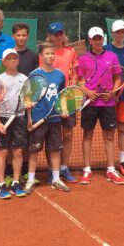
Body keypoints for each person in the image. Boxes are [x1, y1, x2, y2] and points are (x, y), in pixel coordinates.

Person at [78, 27, 124, 185]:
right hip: (90, 103)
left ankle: (111, 170)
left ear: (103, 39)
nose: (98, 41)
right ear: (90, 41)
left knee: (109, 136)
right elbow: (80, 80)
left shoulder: (112, 56)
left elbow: (118, 77)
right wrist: (87, 91)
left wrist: (112, 92)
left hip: (108, 103)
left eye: (100, 38)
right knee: (87, 135)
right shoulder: (83, 58)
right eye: (95, 38)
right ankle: (86, 170)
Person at [24, 41, 71, 194]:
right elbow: (28, 98)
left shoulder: (60, 75)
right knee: (34, 151)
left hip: (55, 119)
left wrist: (63, 109)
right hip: (38, 119)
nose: (50, 56)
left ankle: (56, 179)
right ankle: (30, 180)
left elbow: (62, 96)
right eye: (47, 53)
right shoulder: (34, 74)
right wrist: (30, 117)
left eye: (52, 53)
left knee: (55, 150)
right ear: (41, 56)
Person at [44, 22, 78, 183]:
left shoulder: (71, 52)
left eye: (60, 33)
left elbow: (76, 73)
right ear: (49, 36)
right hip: (50, 99)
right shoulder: (45, 53)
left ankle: (63, 167)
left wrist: (74, 85)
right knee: (52, 135)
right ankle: (52, 169)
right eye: (55, 34)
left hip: (68, 98)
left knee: (68, 134)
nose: (58, 37)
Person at [0, 49, 28, 199]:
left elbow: (27, 100)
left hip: (20, 118)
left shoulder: (25, 78)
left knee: (18, 152)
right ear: (4, 62)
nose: (13, 60)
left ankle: (15, 182)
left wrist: (30, 116)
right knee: (2, 152)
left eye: (15, 58)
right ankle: (1, 184)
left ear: (18, 60)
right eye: (9, 58)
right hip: (3, 118)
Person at [104, 20, 124, 176]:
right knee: (109, 130)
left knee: (122, 128)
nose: (120, 34)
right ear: (112, 33)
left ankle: (123, 161)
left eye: (123, 31)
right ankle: (109, 164)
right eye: (117, 32)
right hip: (109, 97)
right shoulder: (106, 49)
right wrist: (112, 92)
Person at [12, 22, 39, 182]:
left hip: (28, 102)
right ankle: (10, 172)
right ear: (14, 36)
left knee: (28, 137)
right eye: (18, 35)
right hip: (11, 102)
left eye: (24, 35)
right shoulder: (9, 54)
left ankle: (26, 171)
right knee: (11, 140)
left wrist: (30, 99)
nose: (21, 38)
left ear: (27, 36)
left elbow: (34, 79)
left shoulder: (33, 56)